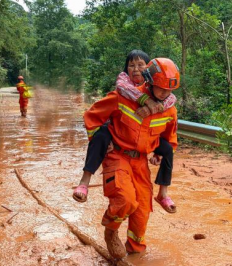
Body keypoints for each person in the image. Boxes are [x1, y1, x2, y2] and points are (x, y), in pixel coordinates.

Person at [83, 58, 179, 258]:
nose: (165, 94)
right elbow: (92, 116)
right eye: (161, 89)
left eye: (168, 91)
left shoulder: (169, 109)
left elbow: (169, 138)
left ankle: (136, 251)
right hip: (117, 155)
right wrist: (100, 142)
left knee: (143, 208)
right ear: (149, 81)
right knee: (125, 199)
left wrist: (159, 154)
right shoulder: (123, 97)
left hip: (140, 161)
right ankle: (111, 231)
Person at [73, 50, 177, 213]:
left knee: (168, 149)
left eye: (140, 65)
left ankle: (163, 193)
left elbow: (170, 98)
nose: (136, 69)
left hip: (143, 141)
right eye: (131, 65)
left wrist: (153, 109)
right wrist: (146, 101)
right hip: (116, 131)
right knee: (100, 136)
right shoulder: (124, 86)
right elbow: (121, 92)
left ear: (149, 70)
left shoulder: (163, 92)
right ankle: (84, 181)